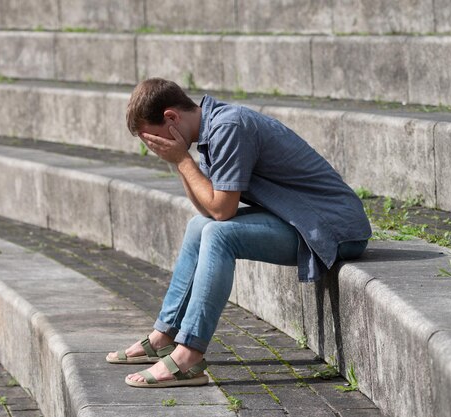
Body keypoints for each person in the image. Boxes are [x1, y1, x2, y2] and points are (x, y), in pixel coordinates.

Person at [106, 78, 372, 388]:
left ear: (171, 118)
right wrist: (181, 163)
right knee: (199, 227)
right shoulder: (209, 130)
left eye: (154, 139)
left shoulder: (229, 127)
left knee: (220, 235)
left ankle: (188, 357)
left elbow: (222, 210)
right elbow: (208, 211)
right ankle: (165, 335)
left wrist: (181, 159)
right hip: (299, 218)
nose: (155, 148)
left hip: (333, 228)